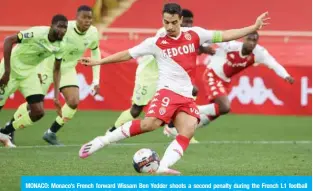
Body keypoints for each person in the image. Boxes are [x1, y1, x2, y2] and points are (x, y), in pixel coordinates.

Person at [78, 3, 269, 174]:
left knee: (187, 130)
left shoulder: (195, 34)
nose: (169, 26)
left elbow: (225, 35)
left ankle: (162, 167)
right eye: (166, 22)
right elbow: (127, 54)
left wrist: (253, 27)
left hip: (185, 96)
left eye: (173, 22)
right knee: (150, 124)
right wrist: (99, 61)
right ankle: (101, 141)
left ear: (181, 21)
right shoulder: (156, 42)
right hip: (167, 91)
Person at [107, 8, 215, 144]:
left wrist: (201, 48)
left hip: (168, 77)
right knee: (136, 110)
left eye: (190, 23)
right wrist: (203, 49)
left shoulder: (188, 35)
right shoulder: (164, 33)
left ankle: (174, 128)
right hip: (149, 74)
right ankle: (112, 132)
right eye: (186, 22)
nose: (188, 26)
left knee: (191, 91)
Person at [163, 32, 294, 137]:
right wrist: (201, 47)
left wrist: (285, 75)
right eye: (249, 39)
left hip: (225, 81)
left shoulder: (259, 53)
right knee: (224, 107)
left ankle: (181, 130)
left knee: (216, 112)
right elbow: (211, 38)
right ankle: (184, 110)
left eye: (254, 40)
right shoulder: (231, 46)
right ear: (244, 39)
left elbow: (273, 63)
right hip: (212, 74)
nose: (251, 43)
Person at [10, 5, 101, 145]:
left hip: (68, 68)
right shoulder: (65, 28)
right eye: (84, 17)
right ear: (76, 17)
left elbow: (95, 52)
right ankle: (9, 128)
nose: (87, 21)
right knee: (33, 105)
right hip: (47, 66)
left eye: (90, 18)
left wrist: (96, 80)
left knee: (73, 101)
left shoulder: (93, 33)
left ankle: (51, 133)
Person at [0, 15, 68, 147]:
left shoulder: (61, 45)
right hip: (11, 69)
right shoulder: (37, 33)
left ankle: (5, 131)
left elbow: (57, 70)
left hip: (29, 73)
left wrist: (55, 97)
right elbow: (8, 40)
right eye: (60, 26)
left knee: (38, 112)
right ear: (51, 26)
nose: (63, 30)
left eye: (65, 27)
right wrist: (7, 71)